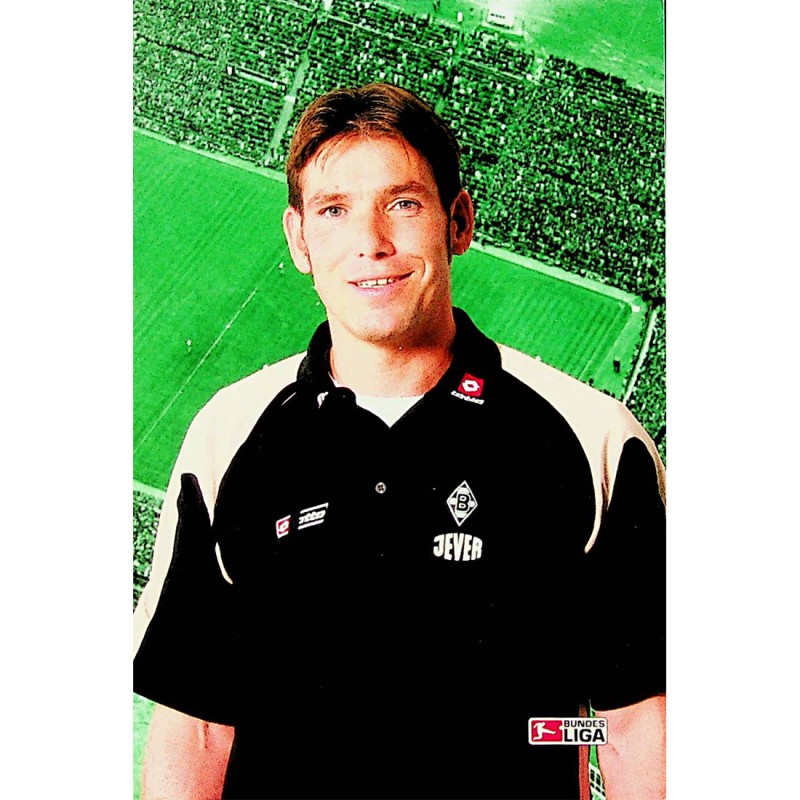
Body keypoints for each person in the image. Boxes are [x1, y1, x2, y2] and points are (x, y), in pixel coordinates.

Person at [133, 82, 666, 800]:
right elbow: (197, 725)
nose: (371, 243)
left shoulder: (592, 440)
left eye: (403, 203)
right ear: (299, 239)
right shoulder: (228, 436)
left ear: (459, 221)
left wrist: (542, 733)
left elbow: (632, 722)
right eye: (334, 210)